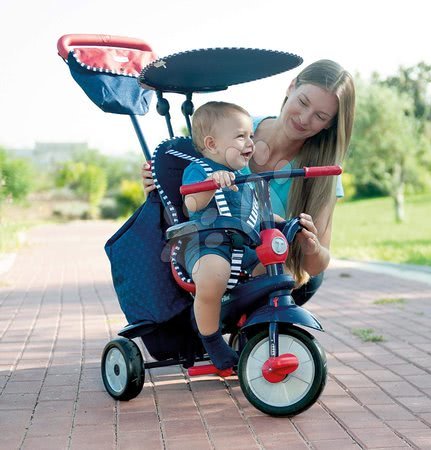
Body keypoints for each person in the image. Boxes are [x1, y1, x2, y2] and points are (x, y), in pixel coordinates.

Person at [142, 59, 355, 306]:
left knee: (306, 278)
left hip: (267, 262)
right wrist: (154, 179)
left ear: (330, 124)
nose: (305, 118)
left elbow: (317, 264)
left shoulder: (321, 174)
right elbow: (188, 178)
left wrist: (312, 247)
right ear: (291, 87)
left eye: (320, 116)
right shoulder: (236, 127)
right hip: (213, 246)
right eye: (303, 102)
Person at [180, 101, 284, 370]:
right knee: (215, 272)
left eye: (251, 135)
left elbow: (258, 214)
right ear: (212, 144)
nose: (250, 142)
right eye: (241, 136)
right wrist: (211, 185)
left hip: (242, 247)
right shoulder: (199, 170)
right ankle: (212, 340)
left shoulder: (244, 178)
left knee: (275, 262)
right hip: (206, 244)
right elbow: (191, 204)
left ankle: (258, 327)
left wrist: (284, 222)